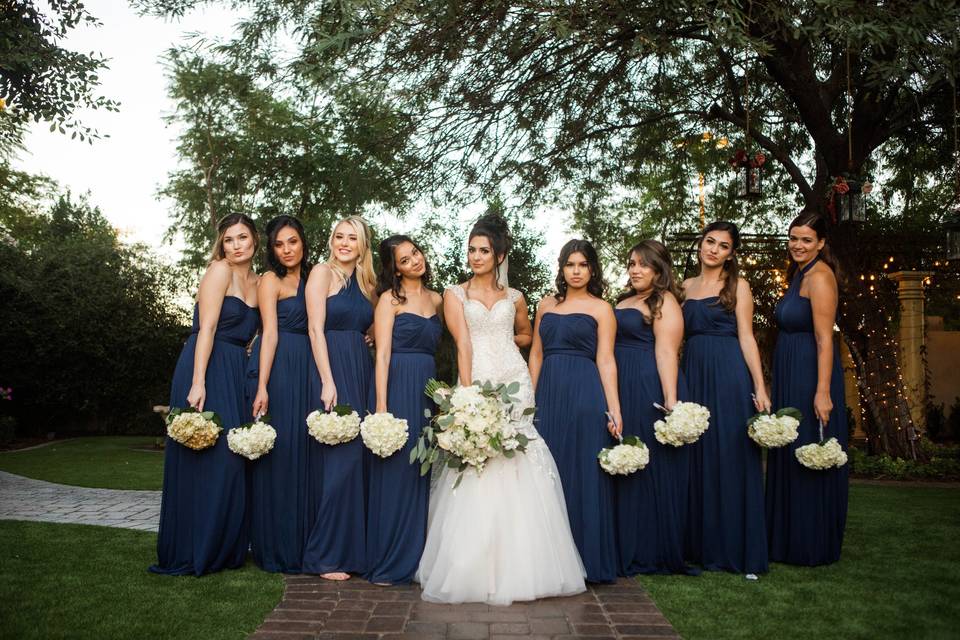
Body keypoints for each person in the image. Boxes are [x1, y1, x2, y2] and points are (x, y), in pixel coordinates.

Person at [417, 215, 585, 603]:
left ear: (500, 255)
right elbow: (462, 345)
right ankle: (475, 565)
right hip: (476, 376)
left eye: (484, 251)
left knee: (518, 456)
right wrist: (468, 393)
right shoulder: (454, 294)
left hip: (515, 380)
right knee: (479, 458)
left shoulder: (515, 297)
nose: (476, 256)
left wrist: (507, 339)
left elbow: (526, 333)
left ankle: (526, 562)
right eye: (472, 250)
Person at [151, 213, 260, 576]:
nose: (236, 245)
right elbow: (207, 327)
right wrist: (198, 381)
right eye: (229, 240)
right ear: (221, 245)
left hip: (236, 371)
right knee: (205, 457)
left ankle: (224, 548)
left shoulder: (260, 282)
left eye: (242, 237)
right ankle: (193, 548)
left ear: (254, 241)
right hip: (206, 364)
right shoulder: (219, 272)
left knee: (231, 460)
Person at [529, 238, 620, 584]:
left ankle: (587, 559)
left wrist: (614, 408)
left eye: (583, 265)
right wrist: (529, 399)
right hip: (549, 392)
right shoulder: (545, 305)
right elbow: (536, 354)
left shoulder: (602, 309)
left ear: (592, 269)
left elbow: (606, 359)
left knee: (583, 472)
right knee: (547, 472)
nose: (576, 271)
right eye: (570, 264)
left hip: (585, 392)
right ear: (562, 268)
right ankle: (549, 561)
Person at [681, 222, 768, 575]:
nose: (714, 249)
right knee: (696, 455)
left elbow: (747, 337)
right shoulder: (684, 287)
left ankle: (735, 547)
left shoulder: (738, 286)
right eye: (710, 242)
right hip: (694, 371)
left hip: (729, 374)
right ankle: (699, 546)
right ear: (701, 244)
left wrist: (760, 386)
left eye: (723, 245)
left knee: (731, 456)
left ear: (731, 253)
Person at [766, 211, 849, 566]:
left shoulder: (820, 277)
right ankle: (786, 539)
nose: (798, 245)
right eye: (793, 238)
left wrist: (822, 390)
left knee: (809, 447)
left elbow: (823, 339)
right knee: (789, 447)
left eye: (806, 240)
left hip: (810, 372)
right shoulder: (797, 274)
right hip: (789, 369)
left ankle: (810, 543)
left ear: (821, 244)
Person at [614, 240, 697, 575]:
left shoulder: (665, 301)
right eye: (632, 263)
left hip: (648, 385)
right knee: (625, 462)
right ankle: (624, 541)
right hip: (620, 385)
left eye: (643, 264)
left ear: (660, 269)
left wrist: (671, 400)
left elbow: (666, 352)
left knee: (651, 466)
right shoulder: (623, 301)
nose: (635, 270)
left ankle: (652, 547)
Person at [302, 216, 377, 579]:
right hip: (331, 367)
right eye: (338, 236)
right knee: (338, 460)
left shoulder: (366, 283)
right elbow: (314, 328)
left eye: (352, 238)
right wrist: (328, 381)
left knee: (356, 460)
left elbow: (375, 321)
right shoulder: (321, 273)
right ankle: (324, 556)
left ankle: (351, 552)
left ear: (363, 246)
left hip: (360, 368)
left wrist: (371, 334)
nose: (344, 243)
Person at [365, 235, 443, 585]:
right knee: (396, 470)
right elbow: (381, 355)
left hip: (426, 389)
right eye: (405, 259)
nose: (415, 261)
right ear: (394, 269)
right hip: (396, 386)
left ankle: (419, 557)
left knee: (422, 472)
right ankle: (389, 556)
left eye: (416, 253)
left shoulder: (439, 300)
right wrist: (382, 407)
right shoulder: (389, 300)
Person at [247, 216, 312, 573]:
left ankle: (308, 541)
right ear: (272, 249)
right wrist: (263, 385)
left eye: (292, 242)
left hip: (313, 368)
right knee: (282, 455)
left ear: (303, 242)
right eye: (279, 244)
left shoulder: (317, 276)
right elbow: (269, 333)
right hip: (282, 366)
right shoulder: (270, 281)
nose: (287, 250)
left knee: (308, 453)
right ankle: (278, 544)